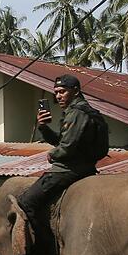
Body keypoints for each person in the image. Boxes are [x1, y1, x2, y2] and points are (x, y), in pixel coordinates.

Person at [16, 74, 107, 233]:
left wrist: (53, 155)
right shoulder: (82, 111)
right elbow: (63, 141)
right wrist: (43, 127)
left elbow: (66, 147)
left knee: (26, 203)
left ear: (76, 91)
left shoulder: (77, 112)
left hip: (67, 170)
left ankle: (43, 245)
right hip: (84, 167)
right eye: (56, 92)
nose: (58, 96)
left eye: (63, 91)